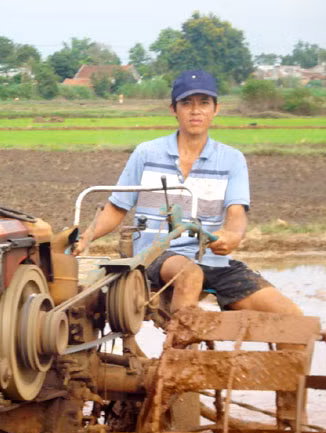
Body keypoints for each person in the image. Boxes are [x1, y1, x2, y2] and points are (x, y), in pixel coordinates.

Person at [75, 69, 302, 319]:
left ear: (216, 109)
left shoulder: (231, 159)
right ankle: (181, 355)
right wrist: (84, 239)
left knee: (292, 317)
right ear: (174, 109)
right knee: (189, 275)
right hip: (155, 255)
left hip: (211, 260)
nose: (196, 111)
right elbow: (117, 209)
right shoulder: (146, 154)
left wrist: (233, 236)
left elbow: (236, 212)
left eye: (204, 103)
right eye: (187, 103)